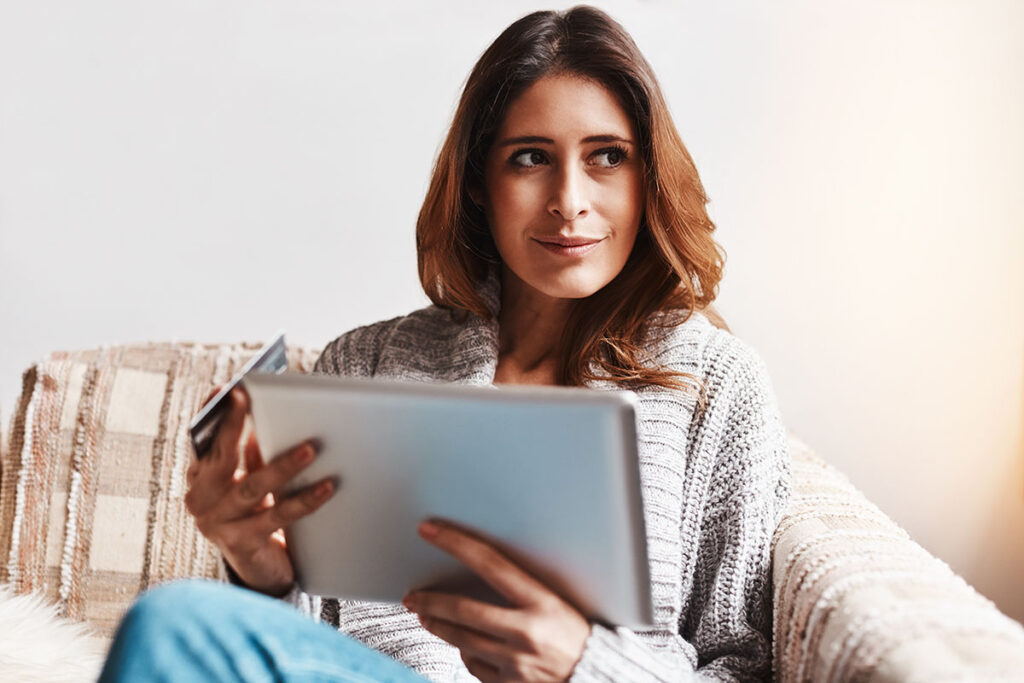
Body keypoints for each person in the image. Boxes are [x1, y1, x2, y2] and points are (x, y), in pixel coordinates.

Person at [99, 5, 792, 682]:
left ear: (649, 179)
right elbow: (312, 643)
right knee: (178, 624)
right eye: (530, 158)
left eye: (607, 156)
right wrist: (265, 572)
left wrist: (584, 663)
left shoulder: (718, 383)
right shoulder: (365, 365)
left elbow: (746, 664)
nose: (570, 200)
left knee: (174, 619)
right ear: (481, 187)